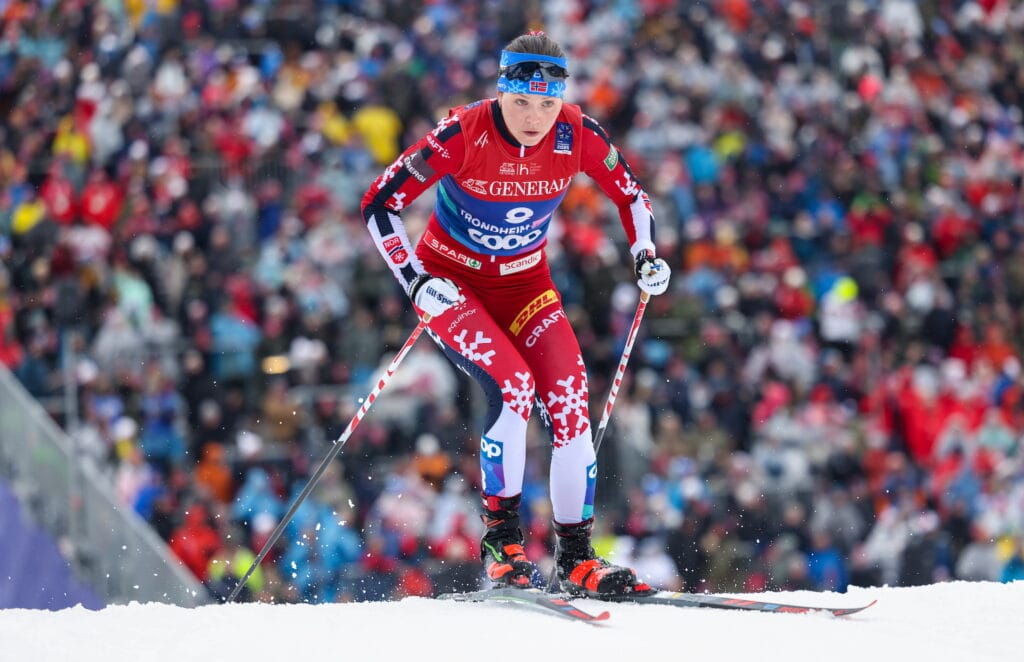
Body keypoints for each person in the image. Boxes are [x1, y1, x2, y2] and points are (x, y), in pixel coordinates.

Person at [360, 31, 671, 598]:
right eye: (522, 101)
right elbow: (381, 202)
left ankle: (577, 558)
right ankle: (502, 546)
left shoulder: (576, 133)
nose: (534, 117)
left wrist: (644, 253)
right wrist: (415, 281)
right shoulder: (462, 133)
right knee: (512, 386)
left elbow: (630, 195)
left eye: (547, 103)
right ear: (502, 91)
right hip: (452, 285)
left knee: (573, 400)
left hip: (526, 284)